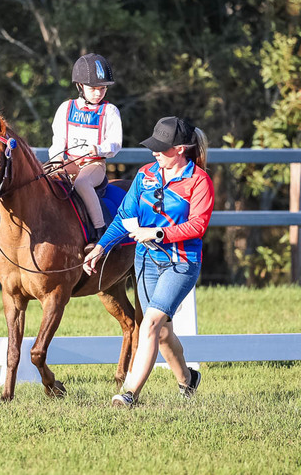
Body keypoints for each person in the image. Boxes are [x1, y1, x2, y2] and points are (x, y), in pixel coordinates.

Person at [83, 116, 214, 407]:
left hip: (181, 263)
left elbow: (198, 226)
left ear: (180, 149)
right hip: (146, 262)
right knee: (163, 332)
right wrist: (101, 248)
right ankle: (188, 380)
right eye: (153, 146)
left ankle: (129, 394)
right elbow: (123, 218)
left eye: (161, 147)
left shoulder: (199, 181)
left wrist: (156, 232)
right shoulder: (145, 175)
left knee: (151, 323)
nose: (154, 152)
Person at [48, 53, 123, 244]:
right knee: (40, 178)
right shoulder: (66, 108)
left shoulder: (110, 111)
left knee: (82, 183)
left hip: (94, 164)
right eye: (93, 89)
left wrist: (98, 149)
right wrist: (55, 160)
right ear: (80, 86)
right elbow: (59, 139)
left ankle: (99, 230)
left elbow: (115, 143)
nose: (98, 93)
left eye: (102, 88)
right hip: (69, 161)